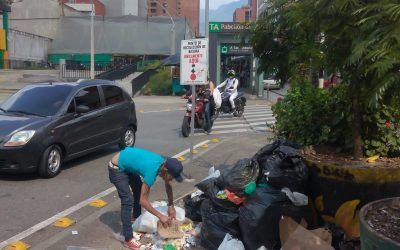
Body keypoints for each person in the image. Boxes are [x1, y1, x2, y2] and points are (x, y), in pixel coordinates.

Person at [108, 147, 184, 250]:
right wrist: (161, 216)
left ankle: (136, 218)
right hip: (116, 168)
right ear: (166, 171)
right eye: (172, 177)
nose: (172, 179)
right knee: (127, 200)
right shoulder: (151, 172)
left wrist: (171, 205)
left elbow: (168, 183)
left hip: (127, 165)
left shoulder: (164, 163)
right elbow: (143, 201)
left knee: (138, 189)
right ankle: (128, 239)